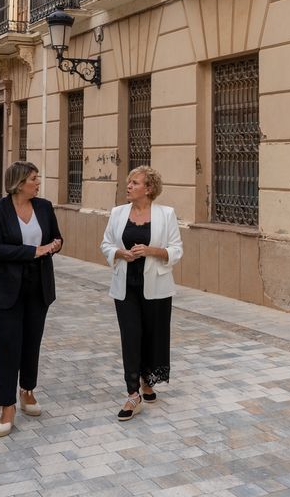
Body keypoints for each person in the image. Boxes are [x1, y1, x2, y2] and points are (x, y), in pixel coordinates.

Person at [0, 161, 63, 437]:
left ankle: (27, 390)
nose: (38, 183)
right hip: (5, 287)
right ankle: (7, 405)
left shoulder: (44, 206)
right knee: (8, 345)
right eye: (33, 178)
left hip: (38, 284)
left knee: (32, 341)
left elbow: (56, 237)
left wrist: (54, 246)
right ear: (18, 183)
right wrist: (34, 251)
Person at [100, 166, 182, 421]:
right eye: (129, 182)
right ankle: (132, 393)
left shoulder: (166, 214)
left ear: (148, 189)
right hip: (125, 287)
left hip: (156, 286)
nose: (129, 186)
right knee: (131, 336)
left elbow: (176, 250)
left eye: (134, 183)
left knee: (153, 335)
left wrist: (152, 251)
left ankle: (148, 380)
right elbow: (106, 244)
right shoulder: (117, 213)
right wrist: (119, 253)